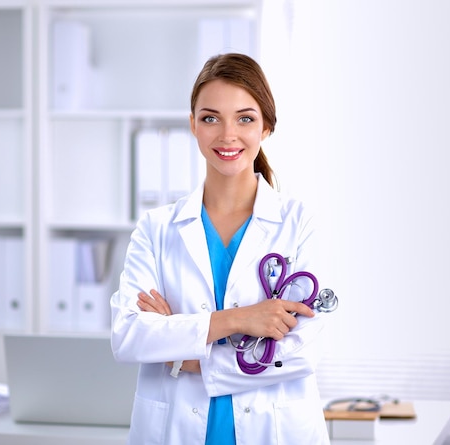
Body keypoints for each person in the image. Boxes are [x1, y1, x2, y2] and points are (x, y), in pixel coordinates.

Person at [110, 53, 330, 444]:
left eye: (245, 118)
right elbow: (129, 336)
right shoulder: (157, 228)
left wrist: (182, 355)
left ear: (266, 127)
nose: (228, 135)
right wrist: (240, 320)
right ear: (193, 125)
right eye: (211, 118)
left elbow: (301, 353)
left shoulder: (298, 225)